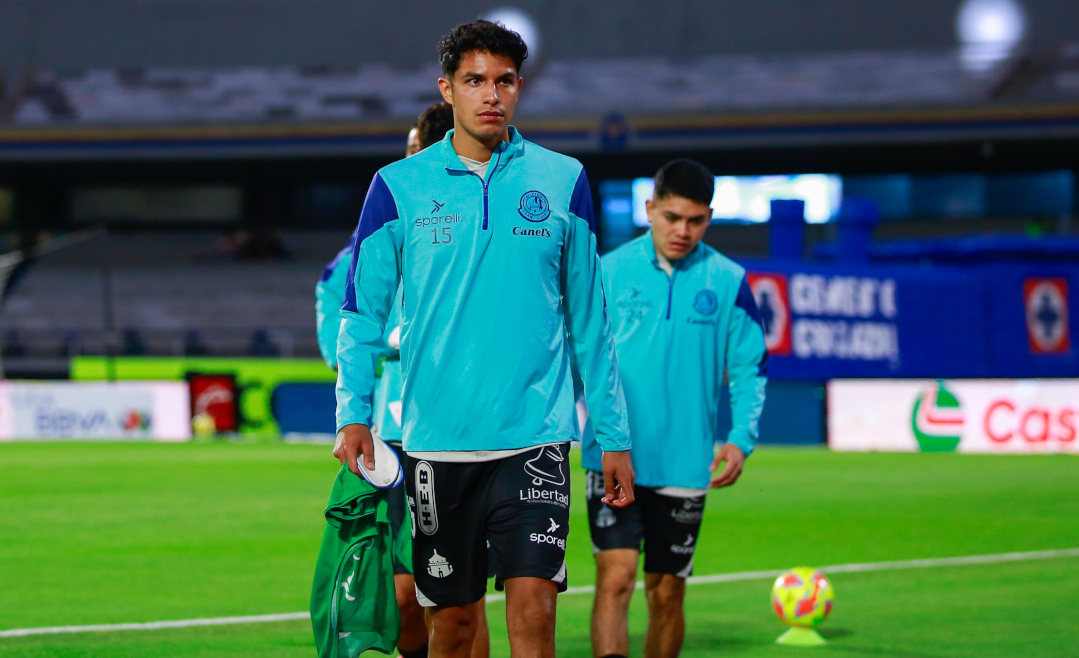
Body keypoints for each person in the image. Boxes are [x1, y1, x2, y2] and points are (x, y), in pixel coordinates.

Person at [333, 19, 636, 658]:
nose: (490, 94)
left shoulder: (564, 181)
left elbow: (592, 325)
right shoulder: (397, 188)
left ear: (520, 88)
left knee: (533, 613)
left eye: (503, 81)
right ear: (448, 89)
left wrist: (610, 436)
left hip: (536, 436)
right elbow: (361, 315)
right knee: (456, 626)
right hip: (438, 442)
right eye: (475, 81)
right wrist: (353, 414)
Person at [582, 159, 768, 658]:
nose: (682, 231)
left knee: (666, 592)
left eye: (695, 220)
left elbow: (750, 368)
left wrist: (740, 438)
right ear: (649, 210)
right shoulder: (608, 270)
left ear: (709, 217)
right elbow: (577, 357)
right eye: (670, 217)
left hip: (686, 462)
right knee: (615, 578)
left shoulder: (728, 281)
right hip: (612, 455)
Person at [315, 102, 453, 658]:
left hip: (459, 429)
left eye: (421, 149)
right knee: (402, 594)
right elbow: (336, 296)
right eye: (411, 149)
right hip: (392, 434)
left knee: (452, 597)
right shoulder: (381, 227)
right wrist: (359, 361)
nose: (412, 158)